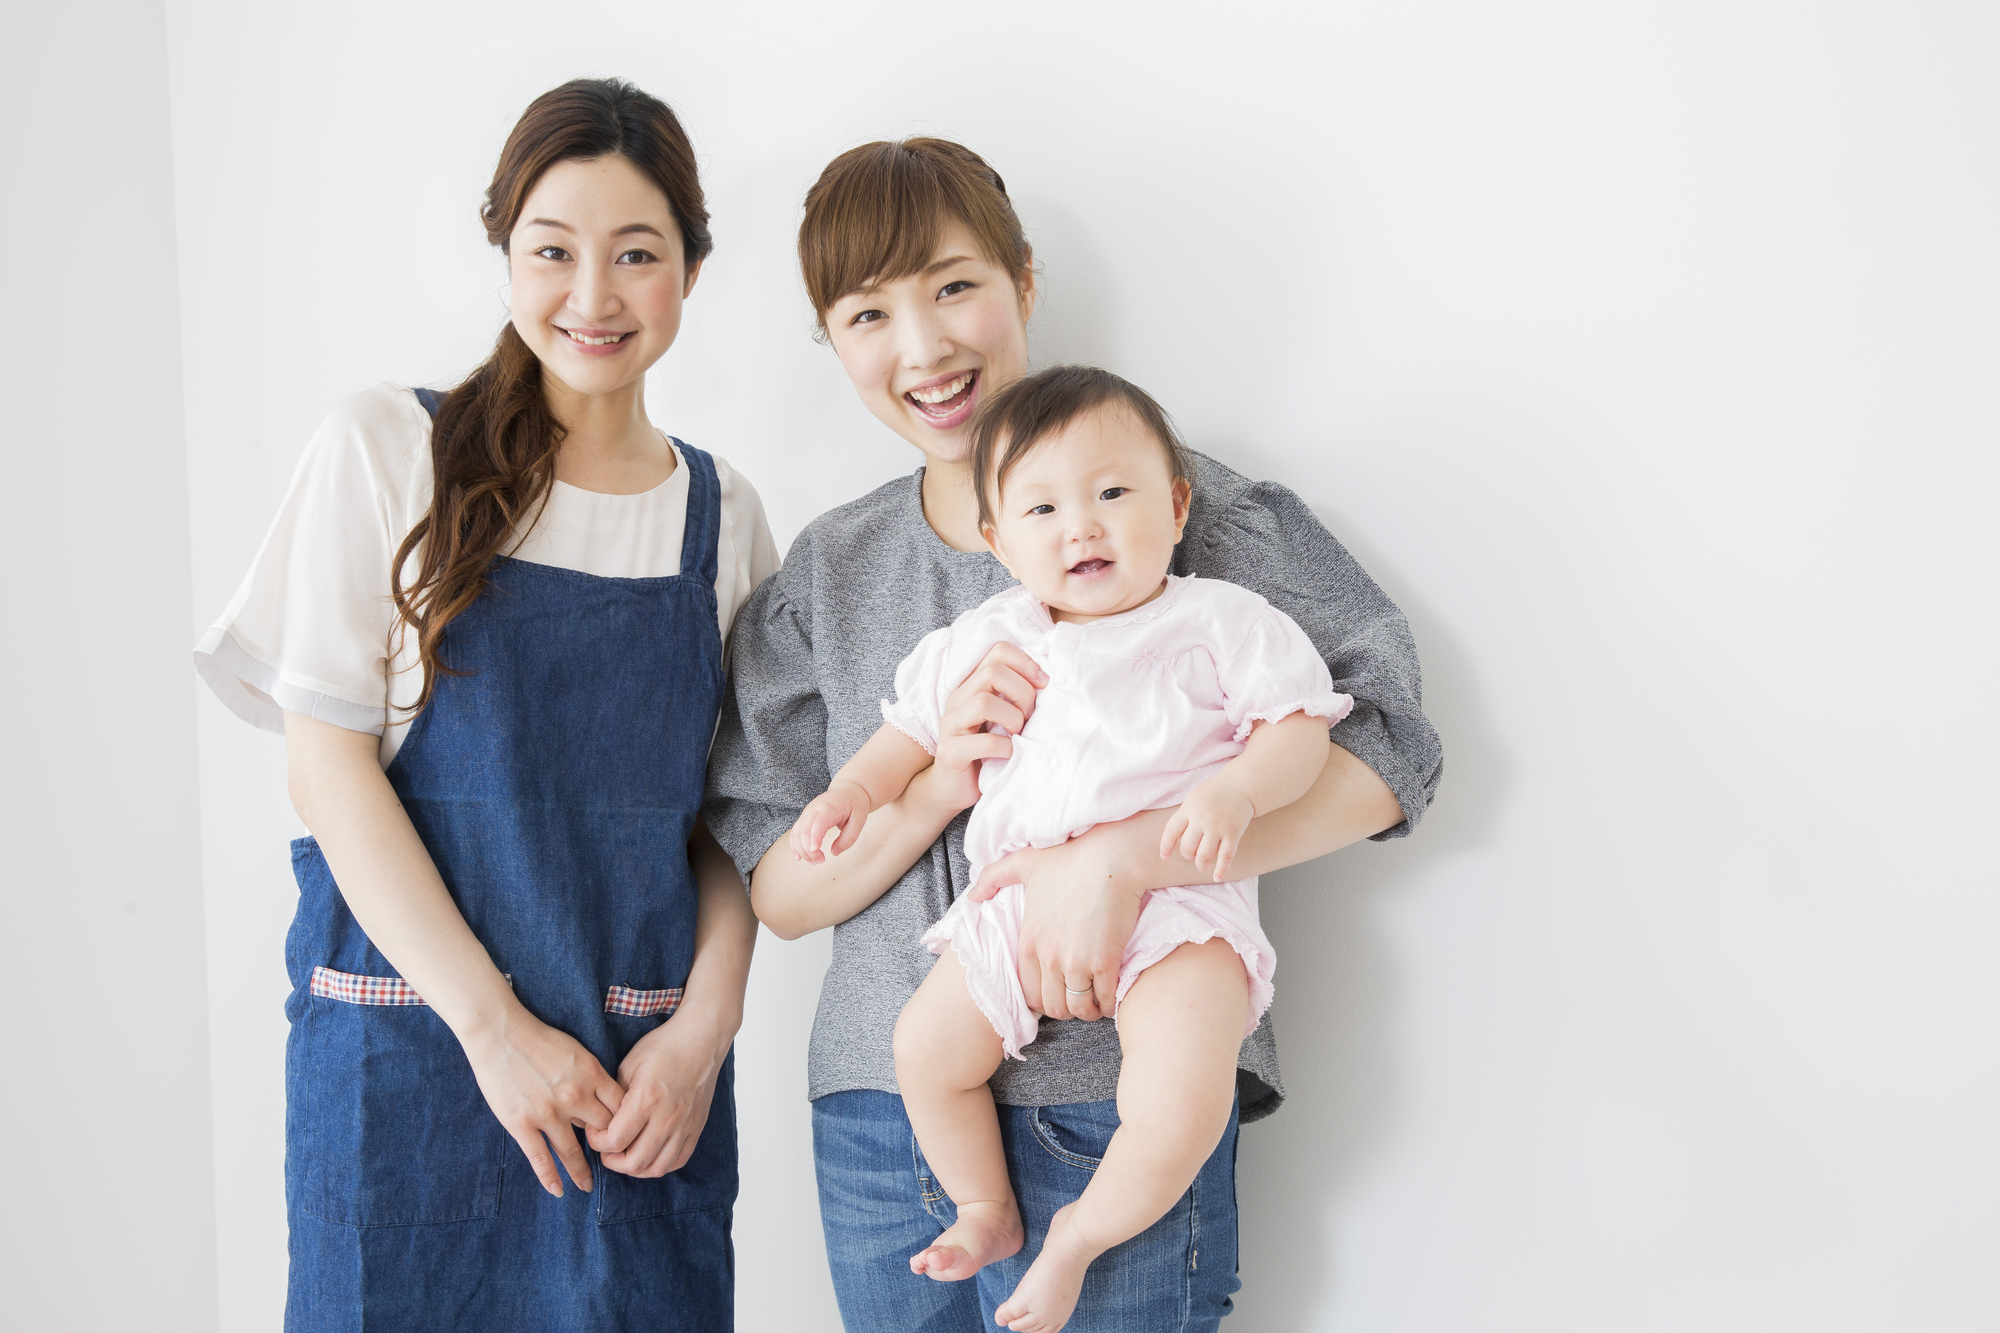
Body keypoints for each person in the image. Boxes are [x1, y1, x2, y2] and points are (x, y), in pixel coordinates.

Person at [703, 138, 1443, 1331]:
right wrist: (938, 784)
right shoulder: (830, 570)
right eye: (867, 314)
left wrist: (1119, 861)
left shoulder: (1172, 505)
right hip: (882, 1112)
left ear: (1023, 281)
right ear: (831, 342)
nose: (922, 348)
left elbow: (1390, 749)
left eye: (953, 286)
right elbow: (782, 892)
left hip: (1110, 1095)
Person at [193, 79, 777, 1331]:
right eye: (552, 251)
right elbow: (326, 772)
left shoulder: (722, 518)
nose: (593, 295)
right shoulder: (387, 449)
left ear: (692, 267)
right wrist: (493, 1028)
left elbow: (733, 826)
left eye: (637, 254)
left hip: (633, 1098)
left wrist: (705, 1031)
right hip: (411, 1069)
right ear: (504, 253)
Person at [793, 365, 1352, 1333]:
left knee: (1178, 1091)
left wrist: (1236, 788)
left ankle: (1078, 1238)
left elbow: (1297, 728)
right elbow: (905, 734)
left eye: (1112, 493)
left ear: (1176, 506)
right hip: (1013, 900)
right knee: (923, 1048)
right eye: (1042, 508)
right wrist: (851, 793)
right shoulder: (986, 635)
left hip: (1180, 898)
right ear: (997, 539)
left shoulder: (1220, 618)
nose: (1081, 527)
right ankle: (984, 1206)